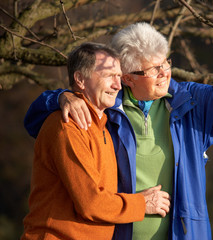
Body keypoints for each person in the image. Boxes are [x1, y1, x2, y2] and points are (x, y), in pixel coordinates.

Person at [24, 22, 213, 240]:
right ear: (128, 78)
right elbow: (40, 122)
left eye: (166, 62)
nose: (165, 73)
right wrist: (59, 97)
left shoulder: (190, 104)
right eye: (153, 68)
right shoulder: (103, 110)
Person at [21, 42, 170, 240]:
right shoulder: (67, 125)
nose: (118, 85)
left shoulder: (104, 127)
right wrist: (142, 204)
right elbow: (90, 203)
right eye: (109, 76)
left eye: (119, 77)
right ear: (80, 79)